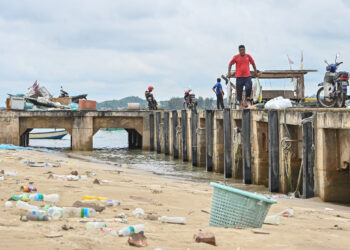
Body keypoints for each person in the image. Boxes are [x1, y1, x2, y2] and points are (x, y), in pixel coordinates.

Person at [227, 45, 258, 109]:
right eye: (241, 50)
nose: (242, 51)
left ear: (245, 50)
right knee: (239, 91)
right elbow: (230, 64)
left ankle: (246, 100)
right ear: (239, 51)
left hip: (247, 76)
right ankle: (241, 104)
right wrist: (229, 73)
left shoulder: (248, 56)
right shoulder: (236, 57)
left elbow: (253, 64)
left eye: (243, 50)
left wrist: (256, 72)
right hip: (239, 77)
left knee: (248, 88)